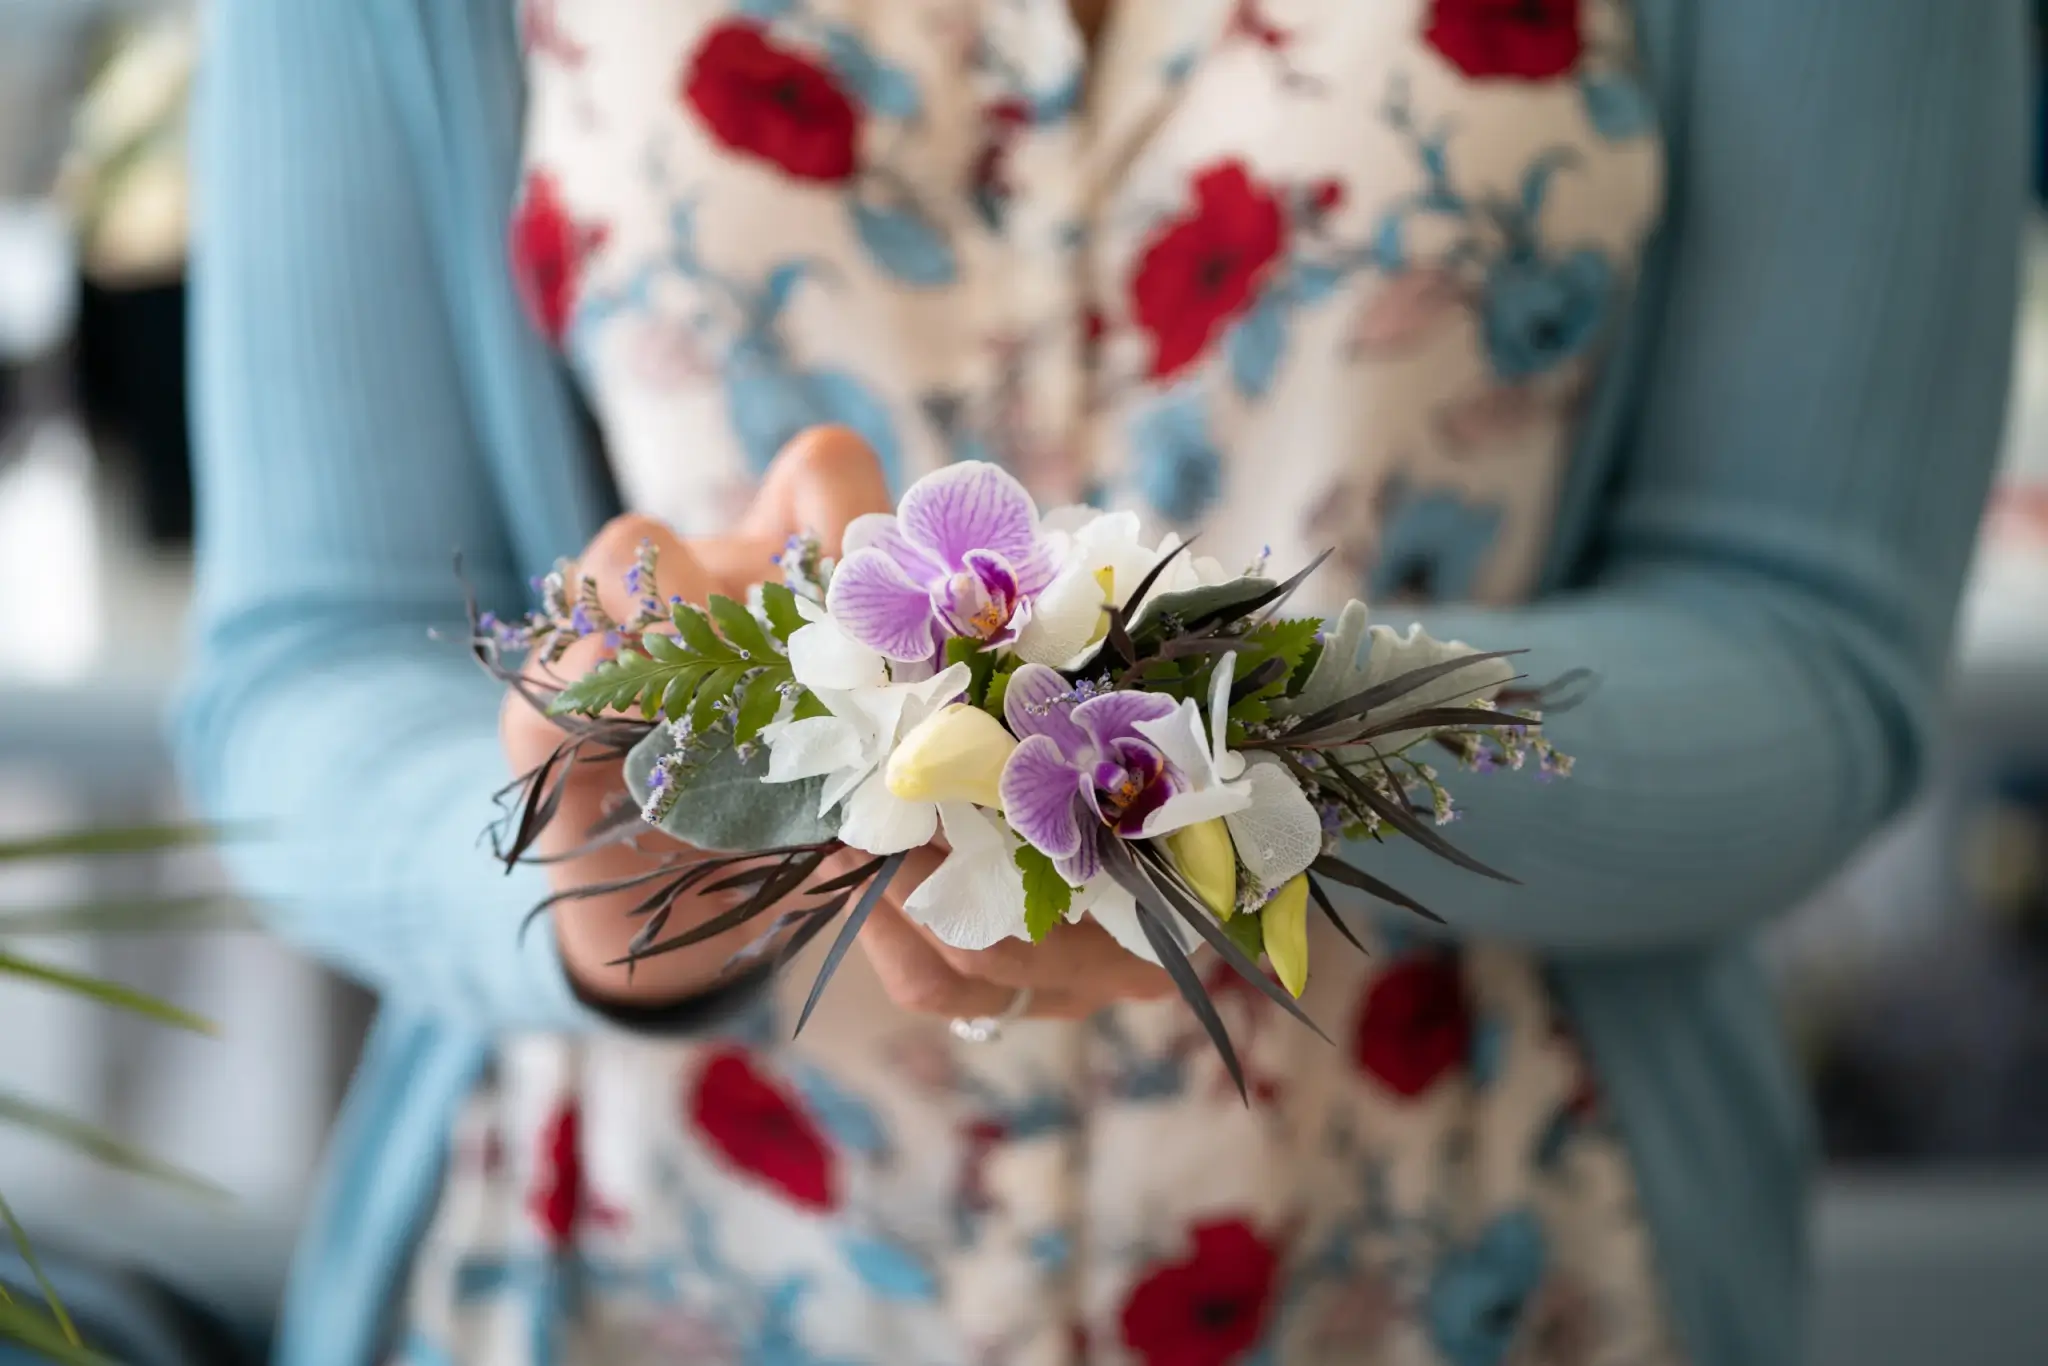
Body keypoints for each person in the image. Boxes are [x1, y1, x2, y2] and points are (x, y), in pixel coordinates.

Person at [175, 2, 2025, 1364]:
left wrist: (1249, 751)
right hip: (647, 1277)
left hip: (1464, 1263)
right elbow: (308, 670)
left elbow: (1813, 649)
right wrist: (586, 875)